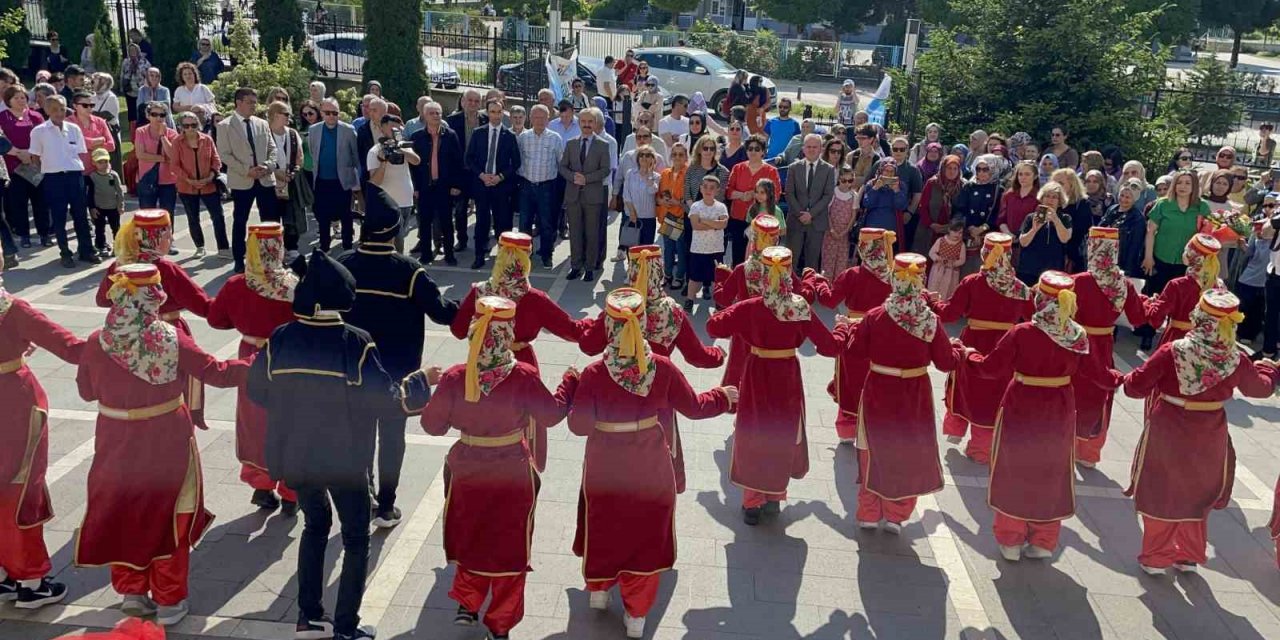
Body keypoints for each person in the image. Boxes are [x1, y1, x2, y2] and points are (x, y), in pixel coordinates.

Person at [246, 250, 410, 640]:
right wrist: (420, 384)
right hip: (345, 459)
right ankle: (347, 628)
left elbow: (257, 389)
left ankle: (309, 617)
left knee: (314, 526)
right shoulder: (355, 342)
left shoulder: (281, 337)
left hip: (296, 457)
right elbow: (386, 399)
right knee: (355, 537)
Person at [75, 263, 250, 627]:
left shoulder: (96, 341)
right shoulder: (170, 337)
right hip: (166, 437)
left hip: (114, 439)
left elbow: (86, 391)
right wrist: (259, 361)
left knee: (123, 510)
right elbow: (217, 373)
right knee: (172, 513)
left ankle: (132, 592)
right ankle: (170, 600)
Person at [567, 287, 735, 637]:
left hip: (604, 464)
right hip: (649, 464)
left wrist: (572, 389)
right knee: (644, 531)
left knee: (605, 524)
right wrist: (723, 397)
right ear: (642, 324)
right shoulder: (662, 368)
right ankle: (637, 614)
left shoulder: (595, 373)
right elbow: (694, 407)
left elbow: (579, 427)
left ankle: (599, 590)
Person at [419, 295, 569, 640]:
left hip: (467, 469)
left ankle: (468, 604)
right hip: (513, 471)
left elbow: (432, 426)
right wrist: (568, 384)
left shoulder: (457, 376)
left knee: (469, 535)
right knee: (510, 544)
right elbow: (551, 414)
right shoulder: (524, 375)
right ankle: (500, 622)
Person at [964, 271, 1122, 560]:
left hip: (1022, 405)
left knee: (1014, 467)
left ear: (1041, 299)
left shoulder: (1022, 332)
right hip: (1059, 409)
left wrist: (968, 355)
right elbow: (1098, 375)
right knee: (1051, 470)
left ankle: (1010, 539)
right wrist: (1119, 378)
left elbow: (990, 368)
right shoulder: (1077, 335)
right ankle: (1043, 540)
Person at [1122, 290, 1279, 575]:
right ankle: (1189, 554)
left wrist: (1128, 378)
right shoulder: (1235, 359)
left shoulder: (1173, 350)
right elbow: (1260, 388)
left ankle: (1157, 556)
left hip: (1169, 425)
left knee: (1162, 488)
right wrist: (1269, 370)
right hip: (1210, 430)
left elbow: (1135, 387)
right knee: (1197, 491)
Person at [338, 199, 457, 527]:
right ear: (394, 232)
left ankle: (363, 497)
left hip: (353, 370)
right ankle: (386, 505)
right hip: (398, 374)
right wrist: (474, 301)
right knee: (392, 438)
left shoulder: (344, 264)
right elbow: (442, 312)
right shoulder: (408, 270)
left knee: (359, 435)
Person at [707, 245, 838, 523]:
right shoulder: (799, 307)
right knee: (782, 431)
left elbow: (713, 327)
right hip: (787, 374)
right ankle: (775, 496)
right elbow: (829, 346)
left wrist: (723, 284)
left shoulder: (751, 307)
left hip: (756, 372)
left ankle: (752, 502)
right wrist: (844, 328)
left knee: (754, 432)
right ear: (790, 273)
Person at [578, 245, 726, 489]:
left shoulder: (617, 310)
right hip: (659, 396)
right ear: (660, 271)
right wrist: (718, 354)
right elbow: (697, 356)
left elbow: (587, 346)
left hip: (612, 399)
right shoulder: (672, 311)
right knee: (658, 475)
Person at [833, 252, 960, 531]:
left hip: (878, 387)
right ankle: (896, 514)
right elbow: (945, 362)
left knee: (871, 448)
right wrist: (959, 351)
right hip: (914, 394)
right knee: (907, 450)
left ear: (894, 280)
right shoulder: (930, 322)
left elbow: (854, 353)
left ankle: (868, 511)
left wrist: (846, 330)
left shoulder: (875, 316)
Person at [0, 250, 82, 610]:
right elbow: (68, 345)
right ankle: (31, 580)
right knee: (22, 487)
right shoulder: (11, 308)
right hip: (13, 403)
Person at [206, 223, 298, 513]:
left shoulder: (237, 284)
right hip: (288, 360)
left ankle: (261, 484)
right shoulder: (294, 286)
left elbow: (216, 320)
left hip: (250, 355)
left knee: (255, 422)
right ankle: (291, 490)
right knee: (291, 421)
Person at [96, 210, 214, 424]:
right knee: (172, 384)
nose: (172, 239)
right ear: (155, 238)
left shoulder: (119, 266)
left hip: (128, 331)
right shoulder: (165, 269)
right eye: (168, 234)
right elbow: (204, 306)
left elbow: (102, 300)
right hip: (167, 330)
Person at [933, 232, 1034, 464]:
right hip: (1008, 345)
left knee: (967, 387)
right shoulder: (1020, 288)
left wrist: (931, 301)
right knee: (994, 394)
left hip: (974, 341)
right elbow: (1034, 317)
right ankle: (981, 449)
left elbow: (949, 314)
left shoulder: (973, 282)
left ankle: (956, 428)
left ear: (984, 254)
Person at [450, 231, 587, 375]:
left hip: (482, 365)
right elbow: (572, 330)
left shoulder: (478, 292)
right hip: (522, 367)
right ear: (526, 260)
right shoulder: (536, 299)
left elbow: (458, 330)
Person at [1070, 227, 1148, 467]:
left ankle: (1065, 444)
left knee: (1070, 391)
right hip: (1103, 344)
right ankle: (1089, 452)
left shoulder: (1078, 281)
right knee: (1099, 394)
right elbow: (1138, 318)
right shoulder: (1123, 284)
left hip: (1075, 343)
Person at [812, 227, 895, 443]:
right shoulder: (894, 276)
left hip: (853, 329)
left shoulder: (852, 275)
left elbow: (829, 300)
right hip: (883, 333)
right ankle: (874, 427)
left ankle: (847, 430)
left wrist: (819, 281)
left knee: (850, 379)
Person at [30, 95, 97, 267]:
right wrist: (44, 172)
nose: (59, 113)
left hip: (74, 176)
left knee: (81, 215)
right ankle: (65, 252)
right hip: (54, 178)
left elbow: (80, 151)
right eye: (54, 109)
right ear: (46, 111)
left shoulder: (73, 128)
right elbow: (35, 157)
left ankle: (86, 250)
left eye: (61, 109)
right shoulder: (39, 131)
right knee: (59, 217)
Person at [218, 88, 279, 273]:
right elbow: (225, 155)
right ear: (239, 102)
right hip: (242, 181)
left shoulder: (261, 123)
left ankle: (271, 256)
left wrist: (267, 166)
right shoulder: (225, 126)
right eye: (250, 102)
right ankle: (239, 259)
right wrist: (247, 171)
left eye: (255, 101)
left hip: (265, 179)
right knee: (240, 221)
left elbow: (272, 148)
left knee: (270, 220)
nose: (254, 105)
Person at [464, 99, 520, 270]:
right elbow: (469, 158)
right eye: (492, 112)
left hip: (501, 186)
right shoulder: (478, 133)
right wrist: (482, 175)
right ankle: (479, 255)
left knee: (503, 223)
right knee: (482, 221)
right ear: (487, 113)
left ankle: (503, 259)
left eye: (499, 112)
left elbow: (516, 162)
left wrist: (500, 177)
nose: (496, 115)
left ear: (503, 113)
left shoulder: (509, 136)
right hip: (482, 185)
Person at [1145, 233, 1223, 351]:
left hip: (1177, 340)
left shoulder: (1177, 285)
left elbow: (1155, 318)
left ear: (1191, 255)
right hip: (1207, 342)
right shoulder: (1220, 286)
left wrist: (1152, 303)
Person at [167, 110, 227, 258]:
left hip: (209, 184)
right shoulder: (177, 142)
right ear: (181, 127)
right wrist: (188, 179)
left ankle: (223, 247)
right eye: (186, 125)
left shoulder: (207, 139)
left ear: (198, 125)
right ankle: (200, 246)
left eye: (193, 125)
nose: (190, 129)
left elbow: (216, 160)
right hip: (187, 186)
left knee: (218, 216)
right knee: (193, 218)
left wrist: (210, 176)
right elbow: (174, 165)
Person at [560, 107, 611, 280]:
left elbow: (605, 170)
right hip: (573, 196)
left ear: (595, 123)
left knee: (592, 233)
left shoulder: (603, 145)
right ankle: (576, 266)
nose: (587, 125)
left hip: (593, 196)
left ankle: (590, 267)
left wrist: (587, 179)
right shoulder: (571, 143)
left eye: (590, 122)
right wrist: (573, 177)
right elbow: (562, 166)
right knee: (575, 232)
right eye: (583, 121)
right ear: (579, 123)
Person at [409, 100, 463, 265]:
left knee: (447, 223)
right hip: (425, 187)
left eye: (438, 113)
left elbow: (457, 163)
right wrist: (416, 187)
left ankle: (449, 254)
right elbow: (413, 166)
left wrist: (456, 185)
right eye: (432, 113)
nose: (436, 116)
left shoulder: (450, 135)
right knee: (424, 223)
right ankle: (426, 254)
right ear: (425, 115)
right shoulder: (416, 137)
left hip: (444, 187)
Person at [307, 96, 360, 255]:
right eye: (328, 113)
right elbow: (313, 151)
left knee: (346, 215)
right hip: (322, 180)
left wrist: (357, 181)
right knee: (323, 216)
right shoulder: (314, 130)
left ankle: (347, 247)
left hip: (342, 181)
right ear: (322, 113)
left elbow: (355, 155)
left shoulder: (348, 130)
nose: (331, 116)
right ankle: (324, 247)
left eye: (335, 113)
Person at [515, 104, 563, 268]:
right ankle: (524, 256)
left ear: (548, 119)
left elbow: (560, 162)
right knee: (524, 223)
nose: (539, 120)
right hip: (527, 186)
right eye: (536, 117)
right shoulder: (523, 137)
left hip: (547, 187)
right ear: (530, 118)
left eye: (543, 117)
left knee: (546, 223)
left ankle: (546, 254)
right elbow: (518, 160)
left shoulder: (555, 138)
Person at [1, 86, 47, 250]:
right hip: (14, 166)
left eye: (23, 98)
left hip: (35, 165)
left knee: (40, 201)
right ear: (8, 101)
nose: (21, 101)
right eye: (16, 98)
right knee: (18, 203)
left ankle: (44, 234)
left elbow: (45, 137)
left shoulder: (36, 116)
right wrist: (18, 153)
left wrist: (32, 154)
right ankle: (24, 235)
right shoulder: (3, 118)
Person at [366, 113, 418, 253]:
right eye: (391, 129)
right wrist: (383, 161)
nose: (395, 132)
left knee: (401, 238)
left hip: (406, 201)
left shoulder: (404, 146)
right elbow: (374, 182)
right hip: (388, 204)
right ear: (382, 129)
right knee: (395, 243)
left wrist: (401, 149)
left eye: (398, 129)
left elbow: (416, 161)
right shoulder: (375, 151)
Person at [725, 134, 780, 266]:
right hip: (738, 218)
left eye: (757, 149)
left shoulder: (771, 171)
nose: (753, 151)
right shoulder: (738, 168)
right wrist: (741, 195)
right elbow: (728, 191)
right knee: (738, 257)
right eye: (750, 148)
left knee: (758, 259)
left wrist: (757, 197)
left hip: (761, 221)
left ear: (763, 151)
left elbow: (776, 195)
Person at [784, 134, 835, 272]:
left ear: (821, 149)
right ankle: (789, 290)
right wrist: (801, 214)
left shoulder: (829, 170)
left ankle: (810, 290)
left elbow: (828, 195)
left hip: (817, 221)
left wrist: (811, 214)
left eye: (815, 147)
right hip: (796, 219)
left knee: (812, 262)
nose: (812, 150)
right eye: (808, 147)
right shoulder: (794, 168)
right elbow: (789, 193)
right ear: (803, 149)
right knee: (791, 260)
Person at [1015, 181, 1073, 284]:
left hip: (1053, 271)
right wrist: (1035, 229)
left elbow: (1065, 239)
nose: (1050, 200)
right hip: (1028, 270)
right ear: (1042, 198)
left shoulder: (1065, 218)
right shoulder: (1031, 217)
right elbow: (1023, 242)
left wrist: (1056, 220)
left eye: (1054, 197)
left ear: (1060, 201)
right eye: (1047, 196)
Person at [686, 175, 730, 308]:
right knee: (694, 277)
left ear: (717, 191)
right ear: (700, 188)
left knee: (717, 277)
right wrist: (714, 224)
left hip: (716, 248)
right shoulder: (695, 206)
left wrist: (704, 220)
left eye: (712, 188)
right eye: (705, 187)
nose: (708, 190)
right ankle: (689, 300)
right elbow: (695, 226)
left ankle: (719, 301)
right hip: (698, 248)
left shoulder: (721, 207)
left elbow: (723, 225)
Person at [133, 101, 179, 220]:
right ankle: (148, 239)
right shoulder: (141, 131)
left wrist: (163, 136)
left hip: (168, 181)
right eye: (154, 114)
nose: (158, 118)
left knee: (167, 216)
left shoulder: (172, 134)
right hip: (147, 179)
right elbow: (140, 154)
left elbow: (173, 155)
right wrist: (163, 159)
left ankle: (167, 238)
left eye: (162, 115)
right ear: (148, 116)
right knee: (147, 216)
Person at [657, 143, 690, 289]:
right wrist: (662, 200)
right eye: (674, 154)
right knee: (668, 249)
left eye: (681, 154)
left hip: (680, 217)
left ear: (686, 157)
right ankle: (668, 275)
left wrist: (678, 202)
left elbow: (691, 197)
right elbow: (658, 195)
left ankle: (679, 277)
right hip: (667, 216)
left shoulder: (689, 174)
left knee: (681, 249)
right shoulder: (665, 173)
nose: (677, 157)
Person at [916, 154, 962, 253]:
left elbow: (962, 210)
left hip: (952, 232)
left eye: (955, 169)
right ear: (943, 168)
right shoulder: (932, 183)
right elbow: (922, 206)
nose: (952, 171)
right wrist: (932, 224)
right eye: (949, 168)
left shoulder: (962, 186)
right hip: (929, 230)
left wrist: (950, 227)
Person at [87, 148, 125, 257]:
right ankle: (101, 245)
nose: (103, 164)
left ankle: (118, 246)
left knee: (116, 227)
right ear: (94, 163)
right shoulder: (92, 177)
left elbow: (119, 191)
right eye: (100, 162)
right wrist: (92, 208)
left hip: (113, 207)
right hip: (99, 207)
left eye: (106, 161)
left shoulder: (113, 175)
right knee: (99, 228)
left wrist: (120, 205)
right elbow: (90, 194)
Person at [859, 158, 909, 241]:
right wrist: (875, 188)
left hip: (890, 226)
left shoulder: (901, 185)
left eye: (891, 171)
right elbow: (867, 204)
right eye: (886, 170)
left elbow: (901, 206)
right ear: (881, 171)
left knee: (887, 253)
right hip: (872, 225)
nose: (889, 174)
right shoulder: (872, 183)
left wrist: (896, 191)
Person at [622, 145, 661, 250]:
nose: (644, 158)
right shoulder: (630, 173)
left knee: (646, 251)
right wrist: (632, 212)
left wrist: (649, 174)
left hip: (648, 218)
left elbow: (652, 190)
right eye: (641, 155)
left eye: (648, 155)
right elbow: (626, 194)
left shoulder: (656, 176)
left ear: (652, 159)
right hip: (632, 216)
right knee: (632, 250)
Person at [929, 220, 968, 300]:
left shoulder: (961, 245)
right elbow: (931, 253)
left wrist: (953, 263)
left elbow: (962, 260)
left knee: (948, 289)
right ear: (949, 230)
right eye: (955, 232)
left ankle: (943, 304)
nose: (958, 235)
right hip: (938, 269)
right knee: (935, 286)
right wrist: (937, 258)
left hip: (952, 272)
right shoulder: (941, 240)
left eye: (960, 233)